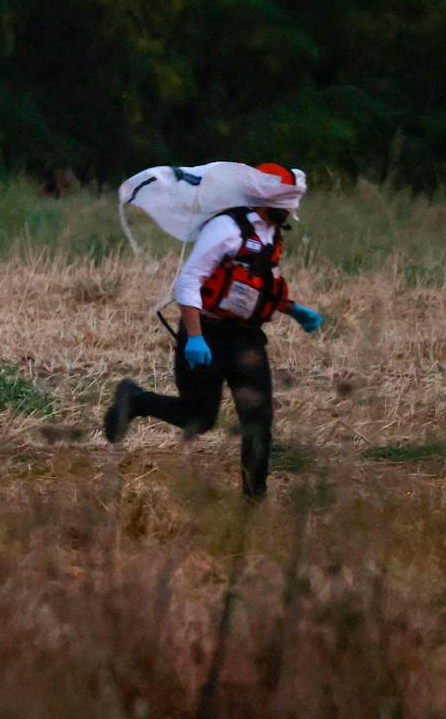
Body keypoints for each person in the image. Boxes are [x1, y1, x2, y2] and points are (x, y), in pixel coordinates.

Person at [104, 163, 326, 500]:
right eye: (288, 203)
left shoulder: (271, 235)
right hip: (206, 330)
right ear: (269, 200)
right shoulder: (227, 228)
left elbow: (258, 286)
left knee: (258, 420)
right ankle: (134, 400)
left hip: (247, 339)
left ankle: (253, 501)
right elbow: (189, 282)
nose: (292, 210)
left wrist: (293, 310)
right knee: (200, 417)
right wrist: (195, 337)